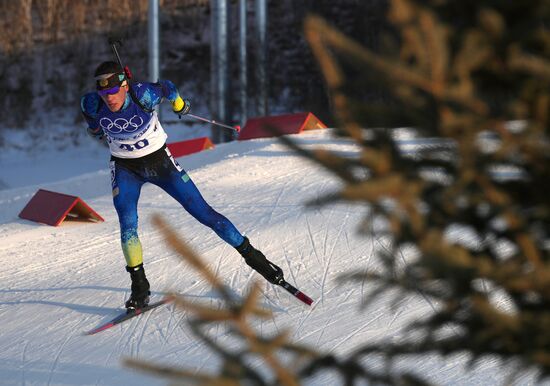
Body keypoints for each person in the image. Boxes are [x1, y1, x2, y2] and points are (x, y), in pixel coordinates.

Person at [80, 61, 283, 312]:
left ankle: (257, 260)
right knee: (127, 223)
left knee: (205, 214)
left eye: (112, 92)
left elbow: (167, 87)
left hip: (161, 163)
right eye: (103, 94)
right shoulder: (91, 104)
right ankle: (140, 287)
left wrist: (178, 104)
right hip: (125, 169)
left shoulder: (142, 93)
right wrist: (99, 129)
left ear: (124, 85)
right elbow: (94, 127)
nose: (109, 99)